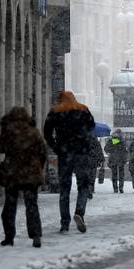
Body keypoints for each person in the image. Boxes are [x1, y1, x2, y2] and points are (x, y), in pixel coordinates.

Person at [44, 90, 95, 233]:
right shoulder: (83, 109)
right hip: (81, 153)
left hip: (65, 153)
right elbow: (91, 128)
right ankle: (79, 212)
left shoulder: (55, 111)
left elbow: (47, 133)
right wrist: (85, 144)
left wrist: (56, 147)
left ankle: (65, 223)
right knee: (83, 186)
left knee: (64, 189)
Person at [0, 107, 46, 248]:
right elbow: (42, 152)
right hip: (31, 174)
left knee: (10, 205)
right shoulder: (34, 132)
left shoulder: (9, 131)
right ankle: (36, 235)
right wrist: (38, 167)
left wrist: (4, 129)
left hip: (13, 173)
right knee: (31, 205)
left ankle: (9, 237)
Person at [81, 132, 104, 201]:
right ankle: (90, 190)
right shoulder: (96, 142)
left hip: (85, 162)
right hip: (93, 162)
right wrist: (101, 160)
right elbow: (99, 152)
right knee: (92, 177)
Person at [104, 129, 128, 193]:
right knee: (121, 175)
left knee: (114, 174)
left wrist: (110, 152)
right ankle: (121, 188)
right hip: (121, 159)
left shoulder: (111, 140)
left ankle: (115, 188)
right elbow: (125, 151)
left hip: (113, 159)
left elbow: (106, 149)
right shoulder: (122, 140)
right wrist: (125, 159)